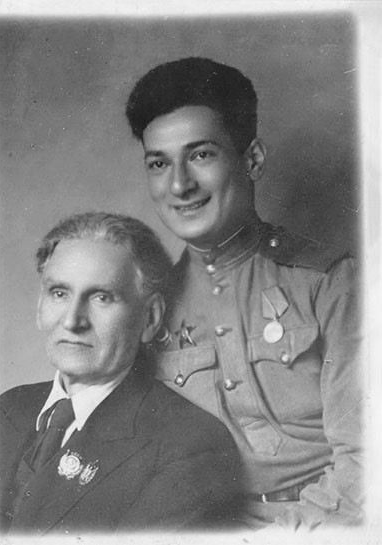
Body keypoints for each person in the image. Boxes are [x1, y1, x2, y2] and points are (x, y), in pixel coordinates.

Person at [125, 57, 363, 530]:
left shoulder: (330, 282)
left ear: (251, 159)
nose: (179, 185)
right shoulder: (151, 308)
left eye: (200, 155)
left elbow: (368, 462)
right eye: (159, 163)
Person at [0, 211, 241, 535]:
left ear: (150, 318)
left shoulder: (189, 445)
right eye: (59, 293)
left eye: (101, 297)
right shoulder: (9, 408)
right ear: (40, 307)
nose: (72, 320)